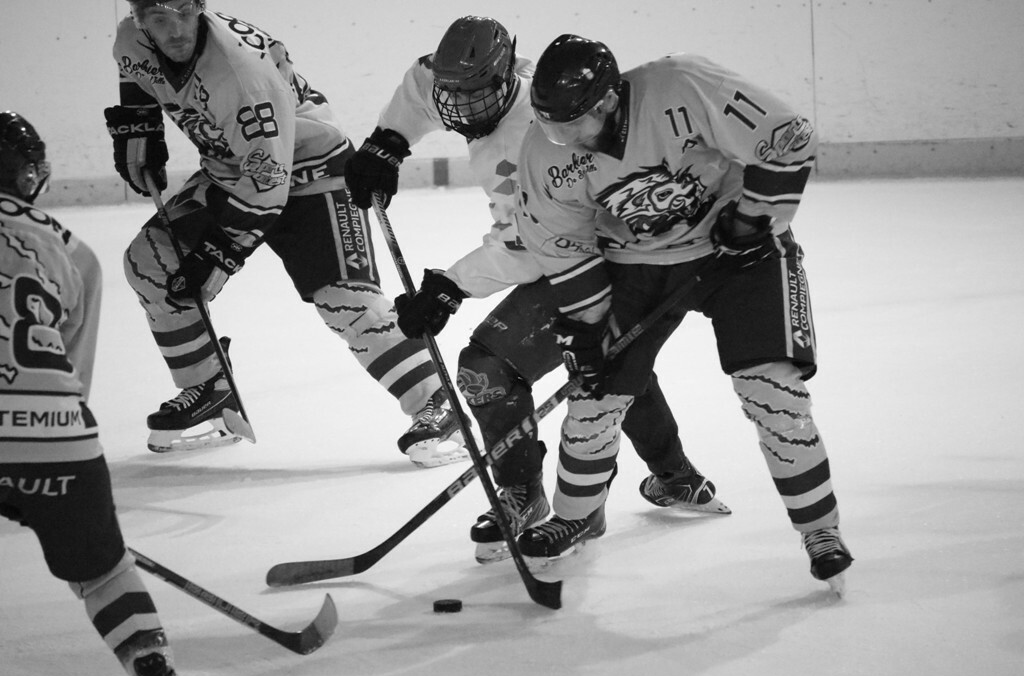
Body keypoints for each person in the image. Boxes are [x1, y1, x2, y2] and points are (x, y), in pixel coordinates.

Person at [343, 16, 728, 565]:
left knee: (490, 367)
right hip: (587, 249)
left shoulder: (532, 133)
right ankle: (675, 474)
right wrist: (387, 143)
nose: (463, 108)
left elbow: (529, 244)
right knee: (614, 361)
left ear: (505, 80)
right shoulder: (451, 82)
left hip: (599, 259)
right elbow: (420, 88)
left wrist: (451, 286)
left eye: (476, 95)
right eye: (454, 94)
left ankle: (524, 496)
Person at [514, 34, 854, 593]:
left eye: (573, 124)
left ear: (607, 100)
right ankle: (575, 516)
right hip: (636, 262)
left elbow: (788, 135)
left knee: (771, 390)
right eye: (552, 126)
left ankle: (821, 531)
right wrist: (586, 329)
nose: (563, 139)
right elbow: (562, 245)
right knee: (595, 393)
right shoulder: (543, 151)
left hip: (737, 251)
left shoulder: (684, 85)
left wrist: (753, 216)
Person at [104, 0, 467, 467]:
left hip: (312, 172)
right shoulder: (129, 39)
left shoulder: (242, 72)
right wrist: (139, 130)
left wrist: (217, 256)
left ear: (200, 7)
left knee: (345, 302)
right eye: (159, 19)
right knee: (150, 261)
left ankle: (437, 400)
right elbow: (136, 73)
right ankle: (208, 387)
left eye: (183, 14)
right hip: (231, 173)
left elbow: (269, 184)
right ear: (139, 20)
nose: (174, 31)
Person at [1, 111, 179, 676]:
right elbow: (73, 374)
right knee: (103, 571)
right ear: (30, 175)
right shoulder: (72, 249)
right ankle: (147, 659)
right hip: (59, 437)